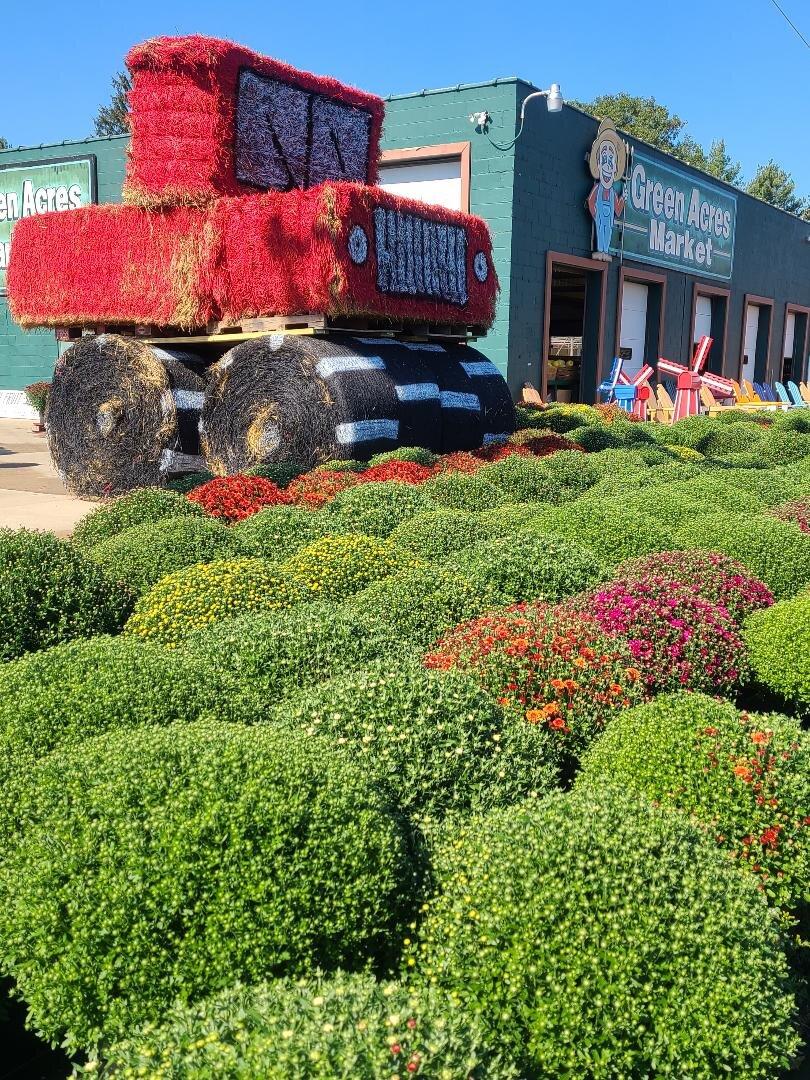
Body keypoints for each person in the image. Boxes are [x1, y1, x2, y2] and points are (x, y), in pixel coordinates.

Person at [587, 119, 627, 260]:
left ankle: (604, 250)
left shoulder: (613, 193)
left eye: (612, 158)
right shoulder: (597, 188)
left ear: (616, 167)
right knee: (600, 229)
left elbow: (617, 209)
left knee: (608, 231)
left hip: (609, 214)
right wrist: (595, 212)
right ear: (597, 164)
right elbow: (591, 202)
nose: (608, 164)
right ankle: (600, 250)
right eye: (604, 157)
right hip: (600, 214)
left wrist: (623, 198)